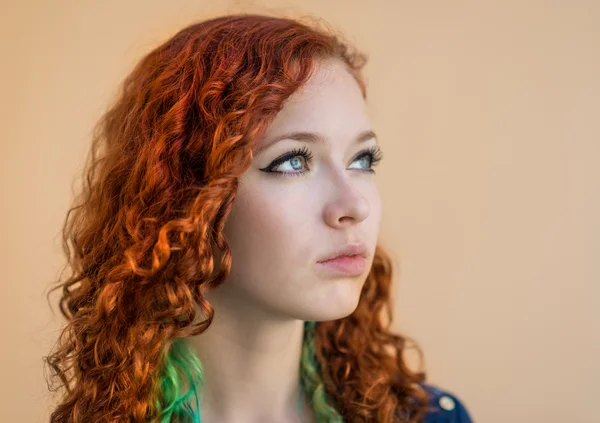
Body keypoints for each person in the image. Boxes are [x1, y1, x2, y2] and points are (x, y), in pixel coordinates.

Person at [44, 13, 474, 423]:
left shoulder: (430, 418)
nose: (354, 206)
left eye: (362, 159)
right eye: (292, 162)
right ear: (184, 197)